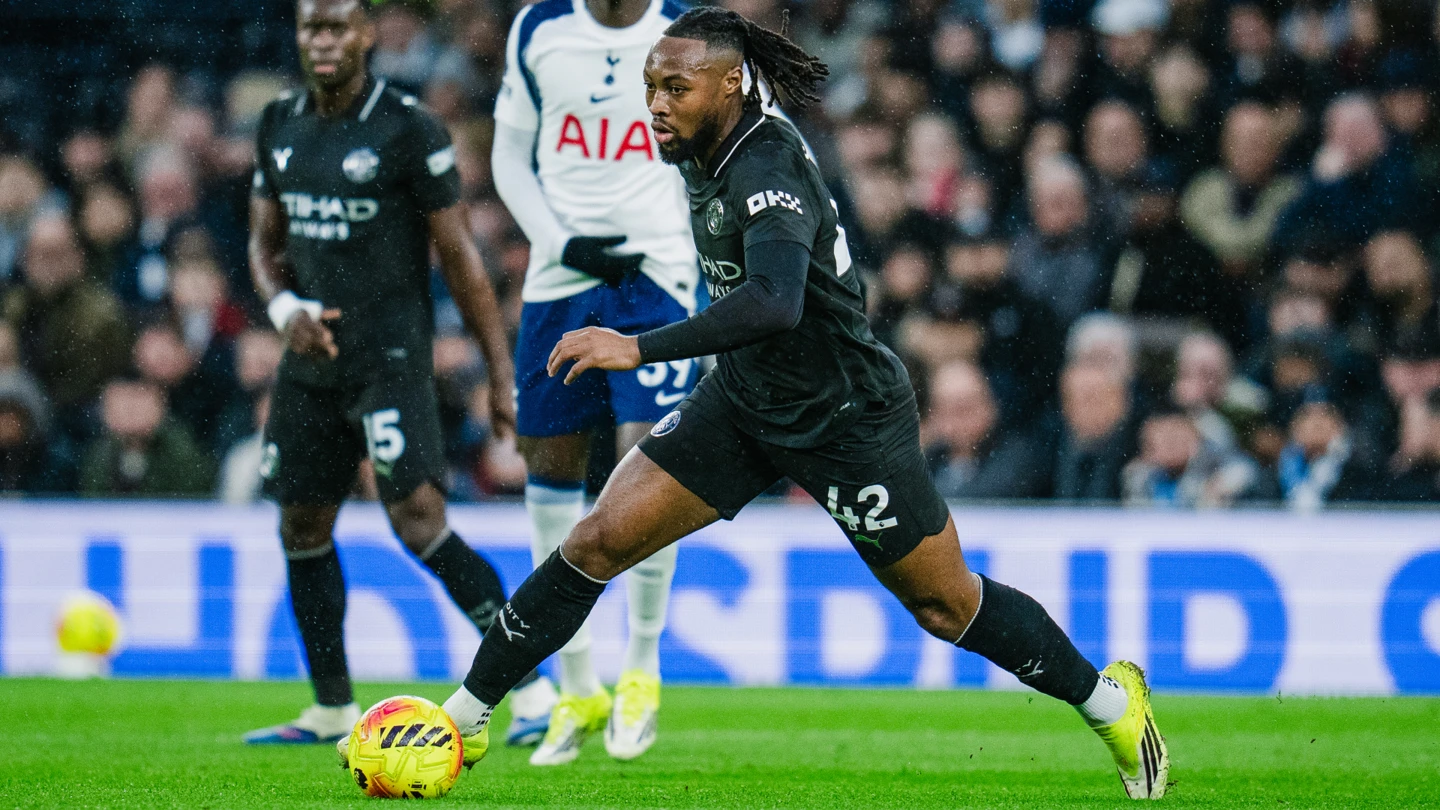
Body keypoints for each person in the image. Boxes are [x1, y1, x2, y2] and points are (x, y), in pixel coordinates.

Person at [353, 9, 1169, 800]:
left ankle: (1110, 705)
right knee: (595, 541)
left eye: (677, 88)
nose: (656, 104)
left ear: (732, 86)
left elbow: (776, 301)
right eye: (651, 85)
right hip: (743, 402)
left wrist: (638, 346)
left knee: (944, 603)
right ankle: (464, 719)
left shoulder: (766, 162)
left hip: (843, 417)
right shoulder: (697, 144)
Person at [242, 0, 535, 746]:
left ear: (367, 34)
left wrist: (500, 370)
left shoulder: (408, 128)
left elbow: (461, 258)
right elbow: (263, 244)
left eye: (337, 26)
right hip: (309, 363)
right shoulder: (278, 123)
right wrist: (282, 308)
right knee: (301, 523)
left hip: (391, 360)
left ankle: (531, 690)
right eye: (311, 27)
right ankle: (332, 708)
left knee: (420, 521)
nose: (323, 41)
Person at [489, 0, 699, 763]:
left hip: (659, 277)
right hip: (558, 280)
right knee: (549, 475)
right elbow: (509, 158)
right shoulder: (539, 26)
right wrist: (562, 242)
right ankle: (577, 684)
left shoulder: (685, 30)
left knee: (651, 469)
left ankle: (642, 666)